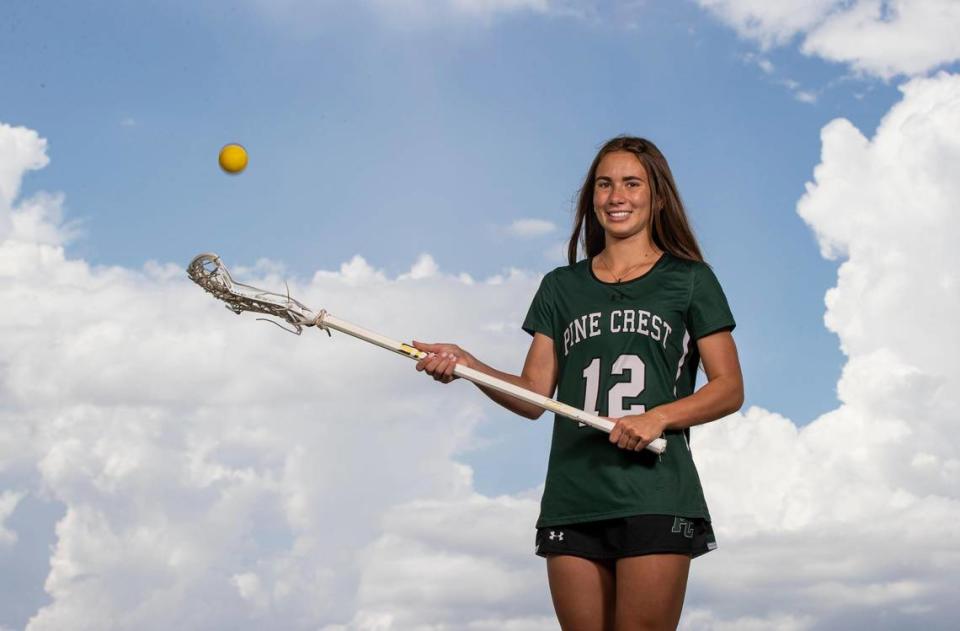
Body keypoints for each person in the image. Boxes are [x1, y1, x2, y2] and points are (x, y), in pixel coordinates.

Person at [412, 136, 744, 631]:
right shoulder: (560, 287)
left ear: (657, 196)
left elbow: (728, 388)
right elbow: (533, 396)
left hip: (654, 495)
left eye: (632, 184)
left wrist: (657, 417)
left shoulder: (690, 279)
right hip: (573, 496)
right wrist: (466, 364)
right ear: (591, 196)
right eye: (605, 184)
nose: (617, 196)